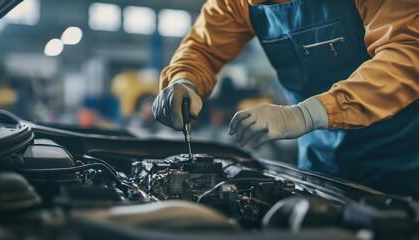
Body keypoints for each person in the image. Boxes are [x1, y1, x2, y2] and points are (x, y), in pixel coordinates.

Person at [152, 0, 419, 198]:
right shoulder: (237, 3)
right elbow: (202, 47)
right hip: (322, 166)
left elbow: (406, 52)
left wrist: (304, 114)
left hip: (405, 164)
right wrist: (183, 79)